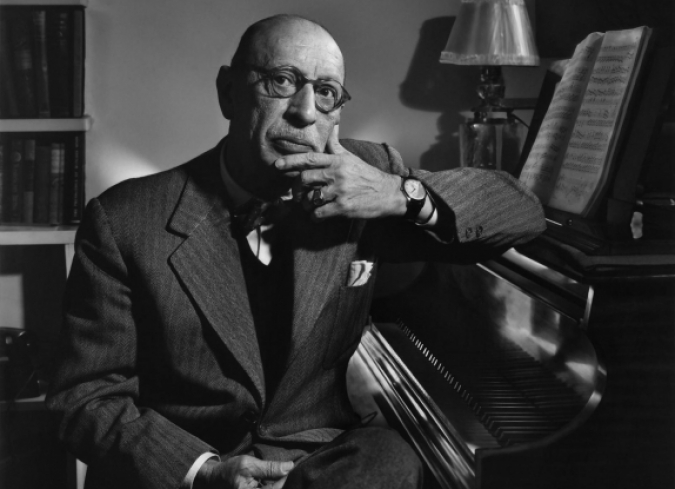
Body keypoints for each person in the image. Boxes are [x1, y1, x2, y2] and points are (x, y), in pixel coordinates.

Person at [46, 13, 545, 489]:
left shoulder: (364, 176)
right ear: (228, 92)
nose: (305, 112)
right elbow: (85, 397)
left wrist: (398, 193)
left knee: (390, 459)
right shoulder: (124, 220)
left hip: (313, 465)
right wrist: (203, 472)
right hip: (188, 470)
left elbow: (522, 212)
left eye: (326, 92)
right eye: (282, 81)